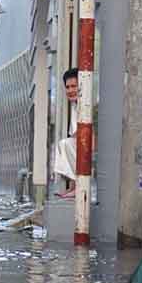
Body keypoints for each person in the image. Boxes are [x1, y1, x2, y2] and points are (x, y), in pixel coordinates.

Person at [55, 67, 80, 198]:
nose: (70, 90)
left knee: (65, 144)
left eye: (74, 86)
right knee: (65, 144)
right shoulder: (74, 106)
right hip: (79, 149)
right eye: (68, 87)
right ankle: (73, 187)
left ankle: (77, 186)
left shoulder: (84, 105)